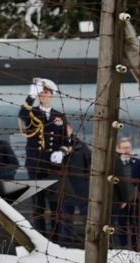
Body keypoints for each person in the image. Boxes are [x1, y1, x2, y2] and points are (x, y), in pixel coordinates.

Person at [19, 78, 68, 236]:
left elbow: (66, 140)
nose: (44, 95)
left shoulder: (59, 116)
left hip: (53, 167)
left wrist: (61, 151)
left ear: (52, 95)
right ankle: (40, 237)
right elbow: (22, 114)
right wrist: (30, 96)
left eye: (47, 92)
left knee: (55, 204)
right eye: (41, 93)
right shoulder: (32, 112)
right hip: (35, 165)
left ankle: (56, 239)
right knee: (38, 204)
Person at [54, 123, 91, 248]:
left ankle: (89, 243)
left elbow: (90, 165)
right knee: (65, 219)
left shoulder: (81, 146)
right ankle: (66, 245)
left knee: (86, 217)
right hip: (64, 188)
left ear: (71, 130)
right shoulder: (53, 146)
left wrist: (87, 180)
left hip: (82, 188)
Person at [113, 139, 140, 250]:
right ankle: (122, 248)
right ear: (118, 149)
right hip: (119, 201)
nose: (127, 150)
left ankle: (135, 248)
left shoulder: (137, 163)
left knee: (135, 224)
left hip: (134, 201)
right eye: (124, 148)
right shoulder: (114, 163)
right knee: (121, 225)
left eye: (129, 147)